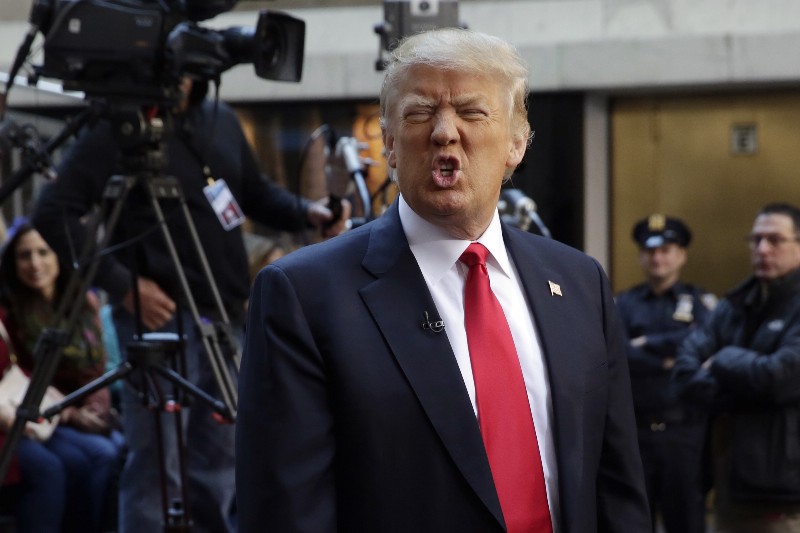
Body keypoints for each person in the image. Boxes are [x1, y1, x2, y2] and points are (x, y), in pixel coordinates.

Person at [237, 28, 650, 533]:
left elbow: (617, 488)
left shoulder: (578, 282)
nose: (444, 132)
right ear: (388, 142)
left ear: (516, 144)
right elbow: (287, 511)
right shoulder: (304, 295)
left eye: (472, 113)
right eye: (418, 113)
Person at [32, 77, 349, 532]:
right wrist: (123, 284)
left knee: (219, 467)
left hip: (223, 317)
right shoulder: (123, 126)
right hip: (160, 321)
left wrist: (306, 212)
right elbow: (53, 211)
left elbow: (253, 193)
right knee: (158, 473)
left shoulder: (218, 118)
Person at [672, 202, 800, 533]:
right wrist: (746, 388)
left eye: (774, 240)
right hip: (729, 486)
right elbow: (684, 374)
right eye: (756, 240)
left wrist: (725, 359)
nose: (762, 249)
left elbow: (781, 377)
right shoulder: (736, 303)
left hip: (784, 497)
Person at [0, 220, 124, 532]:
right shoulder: (13, 310)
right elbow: (26, 376)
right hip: (43, 412)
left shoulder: (84, 302)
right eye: (25, 255)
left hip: (80, 407)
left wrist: (94, 409)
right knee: (84, 459)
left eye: (43, 252)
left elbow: (97, 367)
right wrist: (70, 413)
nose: (35, 263)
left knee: (117, 452)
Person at [615, 214, 716, 533]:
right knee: (631, 521)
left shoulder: (701, 303)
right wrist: (663, 361)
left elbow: (702, 344)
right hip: (636, 435)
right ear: (641, 256)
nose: (657, 257)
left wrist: (645, 343)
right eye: (650, 251)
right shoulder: (623, 303)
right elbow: (616, 354)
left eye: (666, 250)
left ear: (682, 255)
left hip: (683, 433)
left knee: (686, 521)